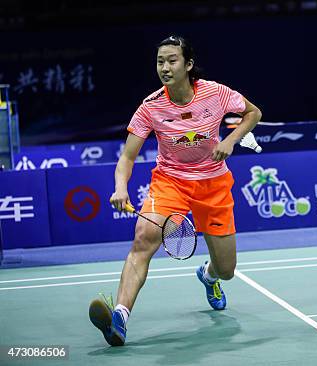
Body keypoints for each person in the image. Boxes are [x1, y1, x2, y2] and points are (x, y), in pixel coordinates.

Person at [88, 35, 262, 346]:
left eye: (172, 61)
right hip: (171, 182)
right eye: (160, 62)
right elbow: (127, 156)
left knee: (227, 270)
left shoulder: (216, 93)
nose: (165, 67)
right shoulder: (150, 107)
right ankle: (119, 318)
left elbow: (254, 113)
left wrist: (229, 140)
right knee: (143, 238)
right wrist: (120, 187)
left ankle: (207, 277)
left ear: (188, 64)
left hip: (213, 184)